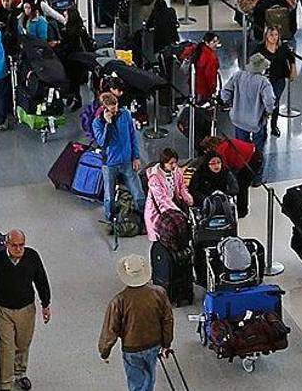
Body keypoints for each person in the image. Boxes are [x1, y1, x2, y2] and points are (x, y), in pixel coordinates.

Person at [0, 229, 52, 391]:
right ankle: (5, 383)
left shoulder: (32, 257)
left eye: (21, 245)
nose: (18, 249)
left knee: (23, 343)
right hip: (3, 309)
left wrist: (45, 304)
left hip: (25, 309)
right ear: (7, 244)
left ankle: (20, 373)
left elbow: (41, 280)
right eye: (14, 246)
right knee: (6, 346)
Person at [99, 254, 175, 391]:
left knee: (136, 383)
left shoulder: (119, 301)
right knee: (150, 377)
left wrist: (105, 351)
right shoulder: (159, 293)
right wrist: (166, 344)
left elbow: (111, 329)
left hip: (131, 347)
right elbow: (167, 320)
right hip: (154, 344)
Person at [93, 93, 148, 222]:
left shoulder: (125, 114)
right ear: (104, 109)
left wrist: (136, 157)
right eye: (112, 109)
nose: (116, 110)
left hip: (127, 161)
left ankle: (144, 218)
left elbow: (132, 136)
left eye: (116, 106)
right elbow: (103, 142)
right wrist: (108, 124)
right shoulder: (97, 123)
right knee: (109, 196)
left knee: (138, 193)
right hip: (110, 164)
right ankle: (110, 218)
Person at [219, 54, 277, 165]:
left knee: (241, 149)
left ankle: (242, 168)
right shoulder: (263, 82)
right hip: (256, 121)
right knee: (258, 149)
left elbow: (225, 93)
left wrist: (232, 104)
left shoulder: (238, 75)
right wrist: (268, 111)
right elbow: (269, 101)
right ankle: (256, 173)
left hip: (238, 119)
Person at [258, 26, 296, 137]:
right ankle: (263, 126)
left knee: (275, 101)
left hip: (279, 79)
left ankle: (274, 125)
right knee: (264, 102)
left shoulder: (282, 48)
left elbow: (291, 58)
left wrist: (293, 71)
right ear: (266, 36)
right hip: (264, 79)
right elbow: (253, 61)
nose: (274, 37)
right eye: (271, 35)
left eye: (276, 35)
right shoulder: (260, 48)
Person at [145, 148, 192, 217]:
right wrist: (175, 210)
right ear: (164, 163)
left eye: (175, 162)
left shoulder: (177, 172)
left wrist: (187, 198)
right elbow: (161, 199)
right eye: (171, 163)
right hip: (158, 210)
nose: (174, 165)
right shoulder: (155, 178)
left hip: (172, 203)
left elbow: (181, 186)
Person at [179, 33, 221, 103]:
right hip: (204, 90)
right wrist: (213, 91)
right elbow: (210, 76)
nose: (216, 44)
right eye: (214, 42)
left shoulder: (195, 49)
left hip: (190, 87)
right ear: (207, 42)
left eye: (217, 42)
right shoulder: (210, 57)